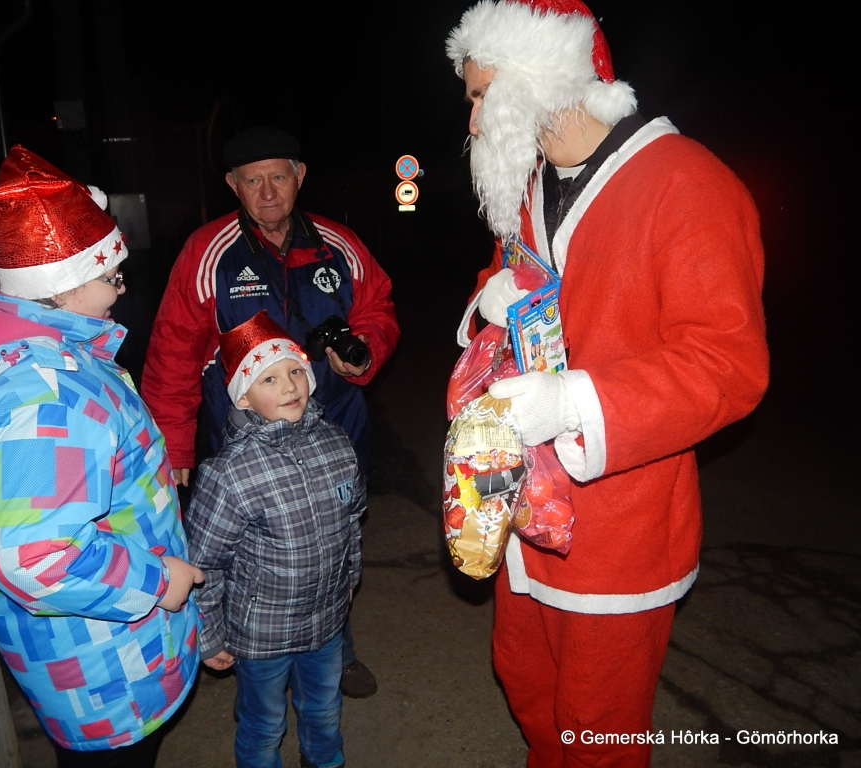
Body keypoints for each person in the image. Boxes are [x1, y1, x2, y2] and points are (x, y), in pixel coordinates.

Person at [445, 2, 769, 765]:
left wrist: (574, 402)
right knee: (525, 679)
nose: (474, 119)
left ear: (539, 78)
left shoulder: (686, 182)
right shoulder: (531, 181)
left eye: (482, 95)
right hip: (522, 506)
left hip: (622, 523)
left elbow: (728, 364)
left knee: (597, 725)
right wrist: (487, 301)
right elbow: (510, 277)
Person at [0, 146, 203, 766]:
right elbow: (36, 556)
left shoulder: (43, 359)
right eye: (113, 277)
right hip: (106, 671)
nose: (122, 290)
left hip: (105, 649)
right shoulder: (47, 396)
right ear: (65, 286)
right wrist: (160, 582)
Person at [142, 125, 397, 698]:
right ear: (233, 185)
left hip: (334, 429)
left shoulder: (338, 244)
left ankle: (336, 652)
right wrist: (175, 445)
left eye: (278, 177)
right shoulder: (208, 252)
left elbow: (378, 307)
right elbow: (173, 352)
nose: (267, 192)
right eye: (252, 180)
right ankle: (253, 656)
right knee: (249, 550)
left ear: (299, 176)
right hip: (245, 444)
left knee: (332, 540)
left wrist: (365, 352)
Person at [185, 311, 363, 768]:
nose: (289, 386)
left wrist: (349, 578)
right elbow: (204, 563)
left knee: (324, 708)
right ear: (243, 397)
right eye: (270, 379)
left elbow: (352, 519)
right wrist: (210, 635)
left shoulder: (337, 444)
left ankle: (324, 760)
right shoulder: (228, 474)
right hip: (261, 634)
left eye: (295, 372)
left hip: (326, 621)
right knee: (264, 724)